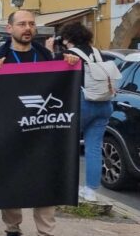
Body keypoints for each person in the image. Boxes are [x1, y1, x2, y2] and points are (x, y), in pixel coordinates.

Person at [0, 10, 79, 236]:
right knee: (10, 182)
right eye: (21, 24)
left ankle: (46, 231)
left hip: (42, 134)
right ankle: (12, 228)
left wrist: (69, 62)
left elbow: (64, 85)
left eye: (31, 24)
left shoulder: (47, 56)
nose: (27, 28)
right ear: (9, 29)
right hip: (9, 134)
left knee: (45, 182)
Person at [55, 22, 112, 203]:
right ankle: (90, 191)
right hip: (104, 104)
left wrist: (52, 50)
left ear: (67, 38)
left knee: (65, 145)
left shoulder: (69, 55)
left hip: (81, 103)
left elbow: (51, 72)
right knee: (94, 147)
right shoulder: (97, 53)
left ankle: (63, 185)